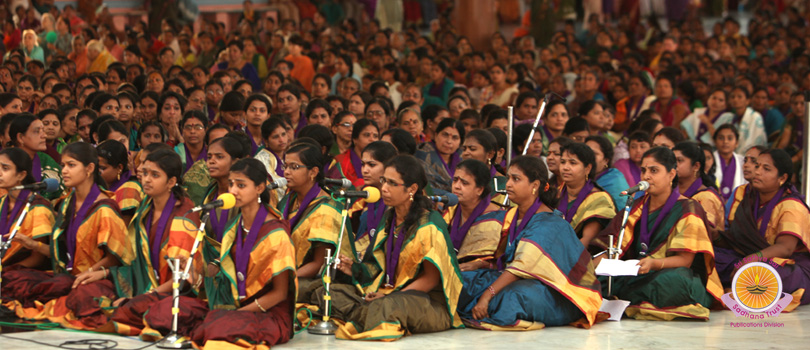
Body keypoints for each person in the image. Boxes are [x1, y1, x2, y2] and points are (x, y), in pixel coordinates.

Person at [319, 154, 463, 340]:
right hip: (388, 293)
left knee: (387, 306)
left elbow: (431, 279)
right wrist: (354, 269)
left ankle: (368, 313)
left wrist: (391, 296)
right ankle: (369, 311)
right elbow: (377, 264)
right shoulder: (390, 217)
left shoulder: (429, 224)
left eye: (392, 184)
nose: (384, 188)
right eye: (383, 181)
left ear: (412, 189)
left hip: (426, 302)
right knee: (329, 291)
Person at [458, 155, 602, 330]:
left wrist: (487, 295)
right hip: (518, 277)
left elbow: (522, 266)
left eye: (516, 179)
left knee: (511, 298)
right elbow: (506, 260)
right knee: (463, 281)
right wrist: (480, 264)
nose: (508, 184)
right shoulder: (512, 215)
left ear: (534, 186)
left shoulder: (549, 223)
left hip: (559, 291)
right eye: (508, 178)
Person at [3, 142, 129, 327]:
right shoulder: (66, 203)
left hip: (96, 279)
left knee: (78, 295)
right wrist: (33, 245)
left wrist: (90, 274)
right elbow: (61, 253)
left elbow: (115, 258)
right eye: (62, 165)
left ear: (89, 169)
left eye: (71, 165)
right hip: (68, 276)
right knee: (13, 279)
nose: (64, 171)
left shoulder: (105, 208)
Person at [590, 147, 722, 320]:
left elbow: (685, 260)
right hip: (636, 272)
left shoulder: (689, 208)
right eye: (644, 170)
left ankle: (621, 298)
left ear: (671, 174)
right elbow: (611, 245)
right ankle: (625, 297)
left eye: (654, 171)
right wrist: (594, 266)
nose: (646, 176)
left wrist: (653, 264)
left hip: (669, 273)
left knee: (673, 282)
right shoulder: (635, 206)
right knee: (598, 279)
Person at [193, 158, 296, 347]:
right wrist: (196, 269)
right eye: (231, 184)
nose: (232, 191)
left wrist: (240, 313)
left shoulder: (276, 235)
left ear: (259, 188)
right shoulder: (235, 225)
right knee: (178, 311)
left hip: (268, 314)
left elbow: (280, 293)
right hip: (236, 306)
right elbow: (227, 266)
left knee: (217, 327)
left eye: (241, 185)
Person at [106, 149, 206, 336]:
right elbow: (134, 261)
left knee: (148, 312)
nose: (146, 180)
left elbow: (183, 278)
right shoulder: (145, 207)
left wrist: (146, 296)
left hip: (176, 295)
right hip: (146, 289)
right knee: (92, 293)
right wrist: (103, 273)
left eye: (154, 175)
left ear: (171, 182)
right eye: (144, 173)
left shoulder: (184, 215)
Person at [715, 149, 810, 309]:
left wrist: (748, 262)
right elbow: (736, 239)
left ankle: (735, 287)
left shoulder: (792, 205)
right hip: (747, 258)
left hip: (788, 265)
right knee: (707, 256)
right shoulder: (747, 196)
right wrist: (712, 235)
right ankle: (738, 286)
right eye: (757, 165)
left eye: (766, 169)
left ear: (782, 178)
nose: (757, 171)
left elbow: (785, 248)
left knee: (764, 274)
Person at [277, 143, 349, 301]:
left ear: (313, 172)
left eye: (294, 167)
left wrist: (283, 279)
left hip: (315, 280)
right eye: (285, 166)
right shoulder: (288, 201)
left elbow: (318, 264)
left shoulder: (326, 209)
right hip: (285, 272)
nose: (286, 172)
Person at [443, 159, 505, 270]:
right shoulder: (450, 211)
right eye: (455, 180)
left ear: (480, 190)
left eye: (464, 183)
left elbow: (498, 263)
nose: (457, 186)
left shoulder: (496, 219)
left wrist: (481, 264)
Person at [0, 148, 55, 271]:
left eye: (5, 168)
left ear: (21, 175)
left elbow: (38, 259)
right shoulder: (2, 201)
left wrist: (5, 270)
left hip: (24, 273)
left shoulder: (38, 207)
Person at [558, 143, 617, 246]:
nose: (565, 167)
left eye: (573, 163)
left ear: (587, 169)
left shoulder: (599, 199)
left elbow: (587, 240)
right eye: (563, 162)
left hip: (579, 257)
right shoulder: (555, 194)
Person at [354, 141, 398, 258]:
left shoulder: (398, 201)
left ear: (388, 166)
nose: (365, 170)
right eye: (363, 164)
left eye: (371, 165)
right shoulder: (361, 198)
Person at [8, 113, 64, 200]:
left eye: (43, 131)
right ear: (20, 137)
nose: (44, 135)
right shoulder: (5, 161)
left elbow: (60, 196)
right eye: (37, 131)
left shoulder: (46, 161)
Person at [673, 142, 725, 230]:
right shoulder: (670, 190)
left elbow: (702, 233)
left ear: (696, 166)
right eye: (672, 161)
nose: (674, 165)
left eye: (679, 160)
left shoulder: (706, 198)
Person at [97, 140, 142, 224]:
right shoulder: (97, 186)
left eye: (102, 168)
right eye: (96, 167)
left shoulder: (129, 190)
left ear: (119, 168)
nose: (97, 172)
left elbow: (123, 229)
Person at [416, 118, 465, 192]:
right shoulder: (422, 155)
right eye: (445, 135)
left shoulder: (463, 159)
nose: (449, 141)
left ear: (460, 142)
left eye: (455, 138)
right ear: (436, 135)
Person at [726, 145, 766, 227]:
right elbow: (725, 223)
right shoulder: (739, 191)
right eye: (745, 160)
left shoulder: (769, 194)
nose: (746, 165)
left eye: (753, 161)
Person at [333, 118, 379, 189]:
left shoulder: (382, 162)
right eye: (367, 135)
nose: (372, 139)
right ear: (355, 139)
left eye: (375, 136)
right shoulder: (340, 162)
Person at [586, 135, 629, 207]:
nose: (588, 157)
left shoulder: (615, 182)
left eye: (594, 154)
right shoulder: (580, 177)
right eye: (585, 152)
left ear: (606, 160)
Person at [712, 124, 745, 201]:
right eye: (721, 138)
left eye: (730, 138)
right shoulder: (709, 160)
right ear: (715, 141)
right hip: (713, 202)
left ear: (736, 143)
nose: (725, 141)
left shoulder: (743, 161)